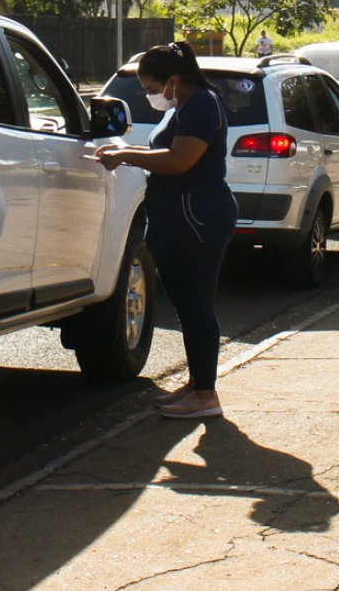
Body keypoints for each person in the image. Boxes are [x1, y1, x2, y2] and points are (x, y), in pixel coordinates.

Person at [93, 42, 238, 418]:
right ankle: (198, 384)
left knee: (196, 305)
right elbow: (168, 153)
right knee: (187, 306)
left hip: (197, 215)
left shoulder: (203, 104)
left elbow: (179, 160)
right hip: (177, 214)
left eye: (151, 88)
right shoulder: (185, 106)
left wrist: (125, 155)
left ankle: (205, 396)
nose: (149, 95)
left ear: (174, 80)